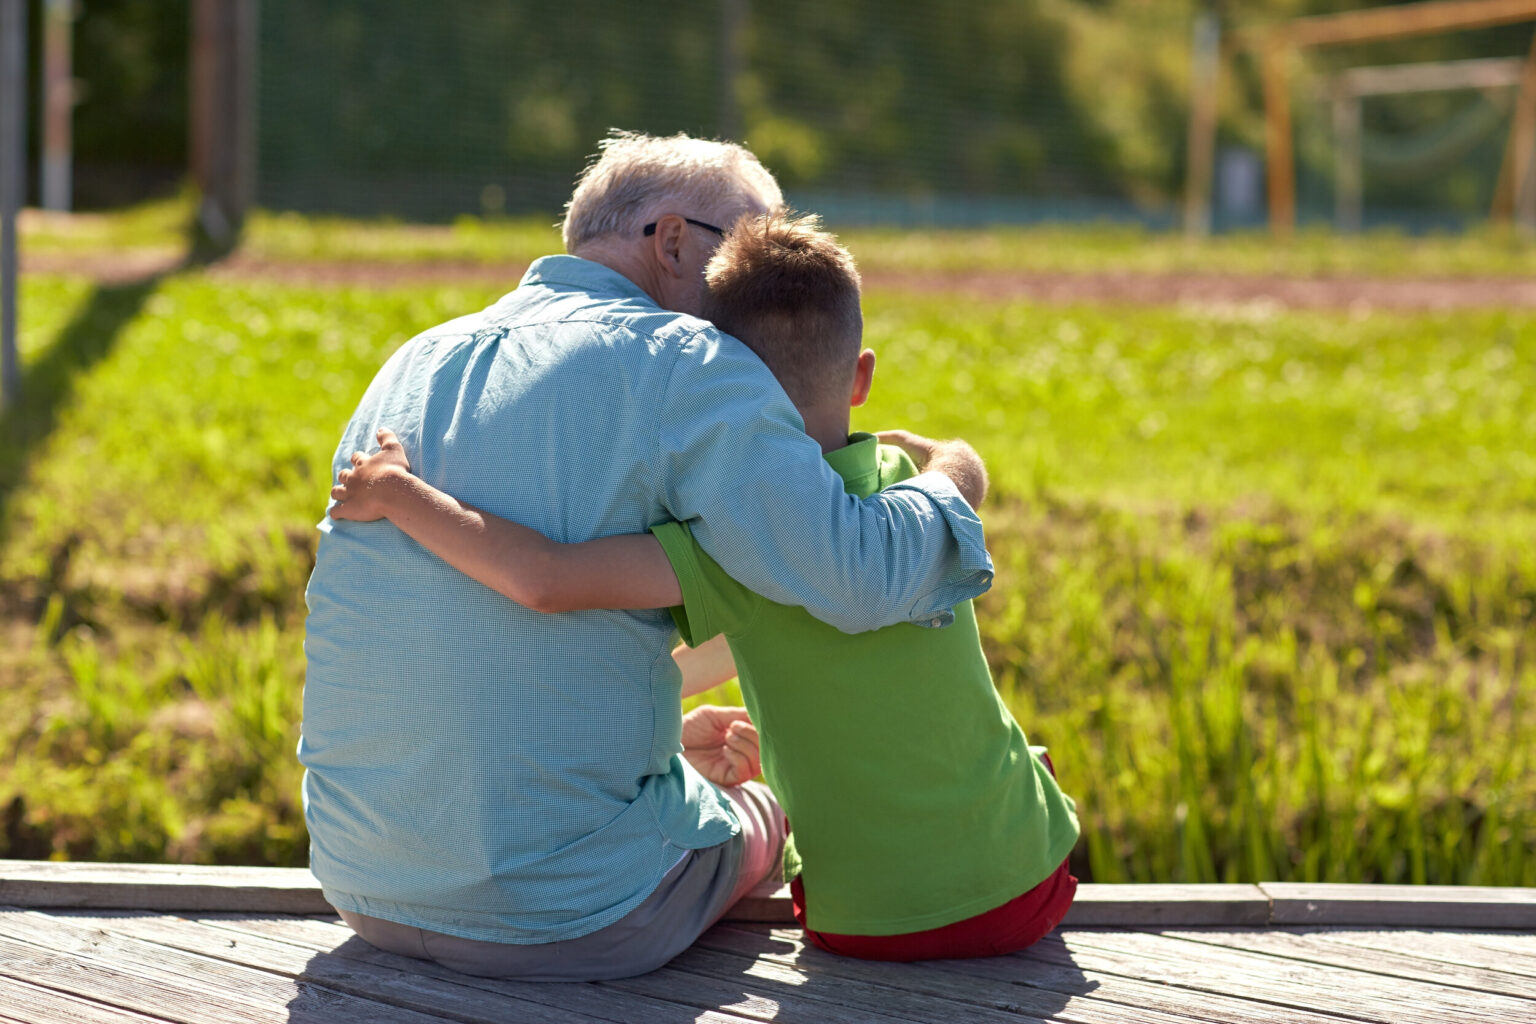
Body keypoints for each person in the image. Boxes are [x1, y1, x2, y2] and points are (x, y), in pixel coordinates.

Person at [300, 132, 995, 982]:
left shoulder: (413, 360)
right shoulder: (690, 361)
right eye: (744, 250)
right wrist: (955, 474)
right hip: (575, 914)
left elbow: (480, 637)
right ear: (671, 242)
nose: (756, 290)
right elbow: (857, 576)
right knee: (771, 808)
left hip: (359, 882)